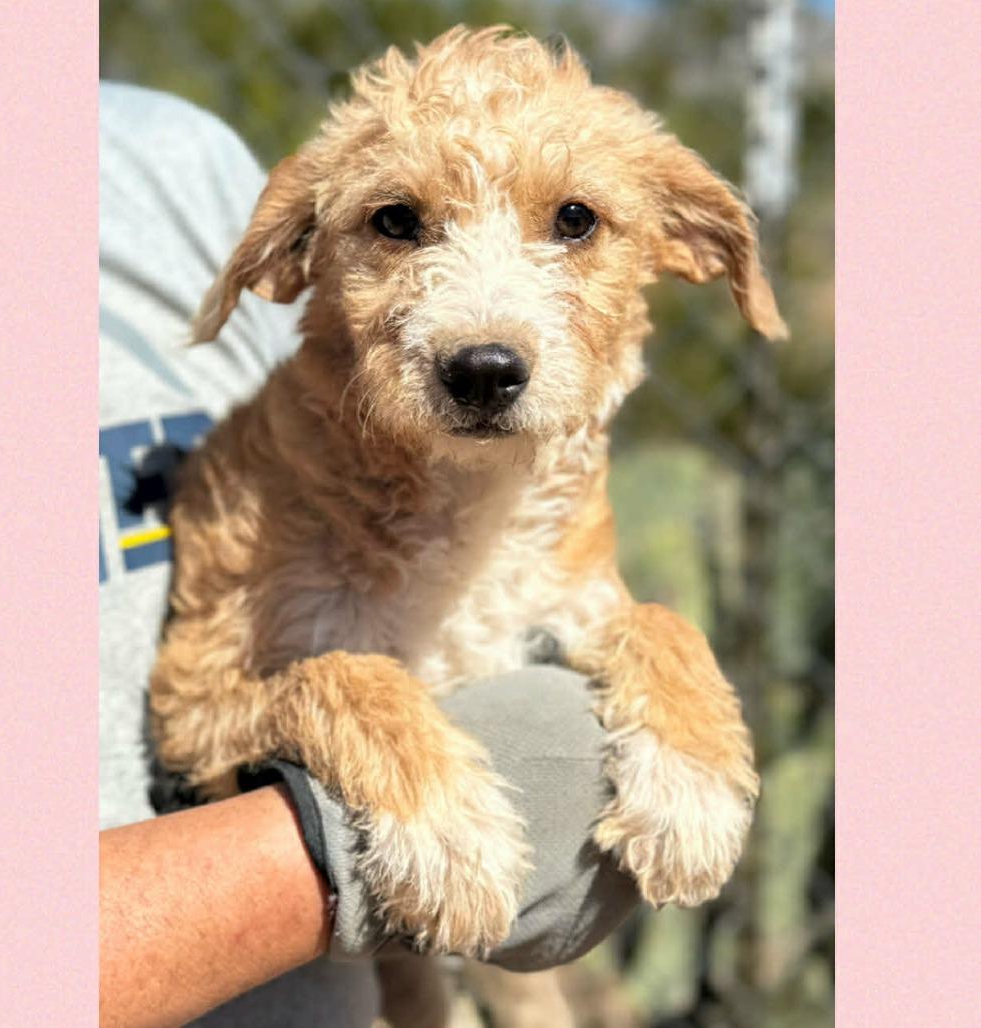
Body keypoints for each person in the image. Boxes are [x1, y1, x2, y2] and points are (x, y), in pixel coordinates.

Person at [99, 82, 638, 1027]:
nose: (480, 330)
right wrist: (325, 846)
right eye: (399, 221)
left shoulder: (166, 156)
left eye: (572, 221)